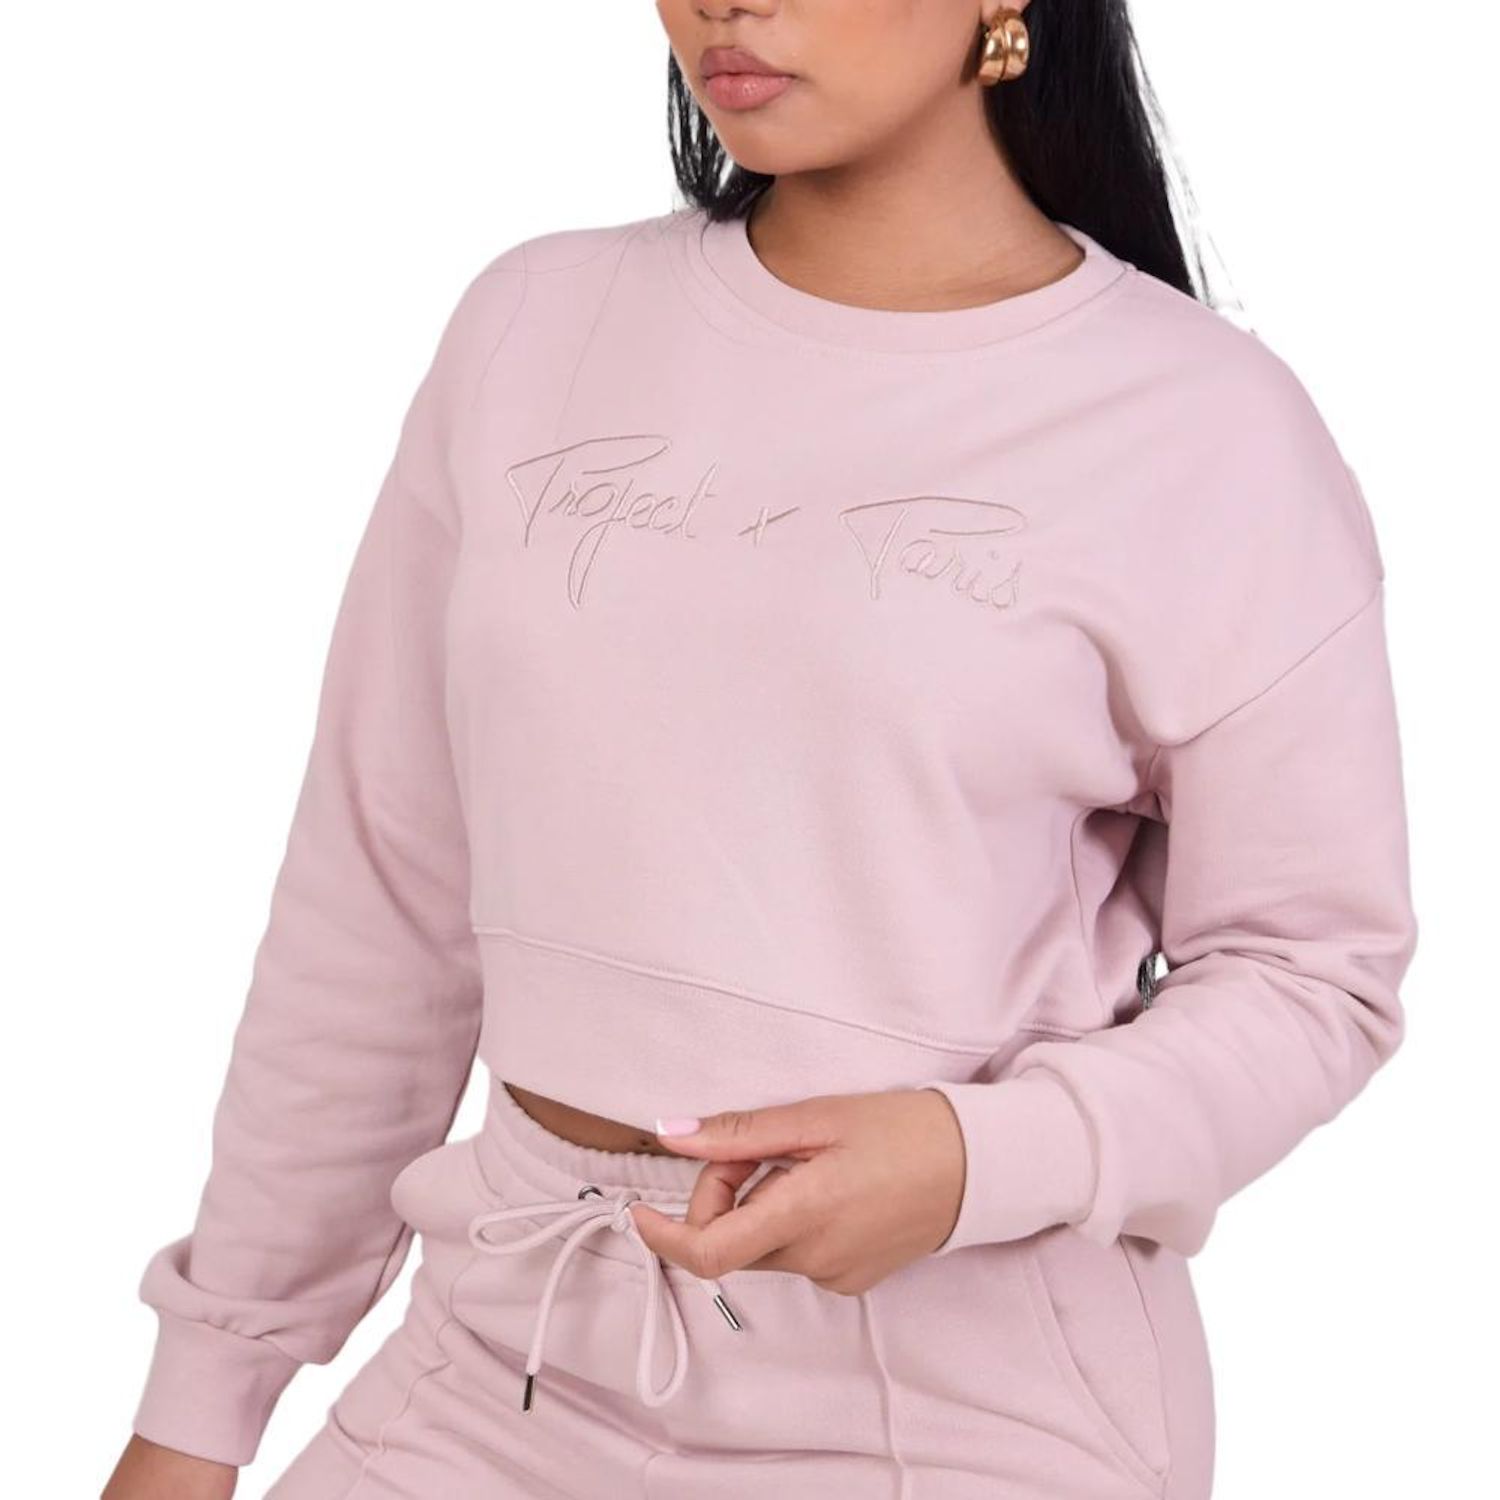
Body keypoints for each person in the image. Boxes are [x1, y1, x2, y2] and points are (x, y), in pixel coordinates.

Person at [103, 3, 1418, 1497]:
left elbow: (1312, 971)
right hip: (502, 1347)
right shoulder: (536, 326)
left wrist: (976, 1159)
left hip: (954, 1409)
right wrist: (204, 1395)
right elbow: (380, 907)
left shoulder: (1205, 429)